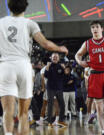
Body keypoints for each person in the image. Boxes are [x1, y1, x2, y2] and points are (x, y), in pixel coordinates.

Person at [0, 0, 68, 135]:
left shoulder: (1, 22)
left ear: (8, 7)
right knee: (23, 113)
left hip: (6, 65)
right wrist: (59, 48)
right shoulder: (29, 23)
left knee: (7, 110)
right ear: (25, 6)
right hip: (23, 65)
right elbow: (45, 44)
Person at [44, 52, 67, 127]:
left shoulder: (61, 66)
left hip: (59, 88)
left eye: (56, 57)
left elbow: (65, 77)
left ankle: (60, 121)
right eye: (53, 57)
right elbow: (46, 75)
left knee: (62, 105)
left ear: (58, 58)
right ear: (51, 58)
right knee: (50, 104)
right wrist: (47, 67)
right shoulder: (48, 65)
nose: (55, 58)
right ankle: (50, 122)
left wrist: (64, 69)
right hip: (50, 88)